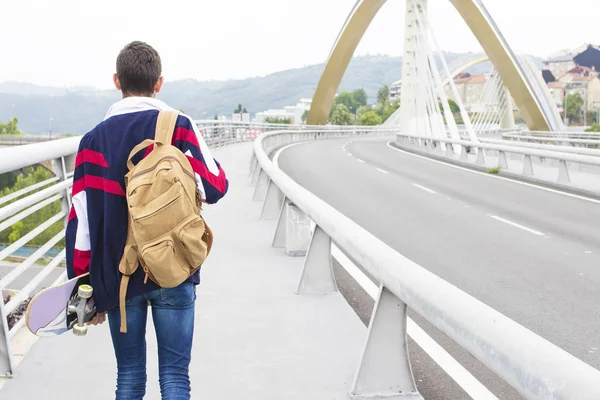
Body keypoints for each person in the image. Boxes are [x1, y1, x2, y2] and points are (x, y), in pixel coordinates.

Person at [65, 41, 228, 400]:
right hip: (174, 265)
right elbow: (216, 187)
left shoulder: (92, 141)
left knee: (129, 377)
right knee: (174, 377)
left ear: (116, 80)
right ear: (159, 83)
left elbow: (82, 225)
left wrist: (82, 288)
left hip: (118, 278)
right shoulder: (178, 126)